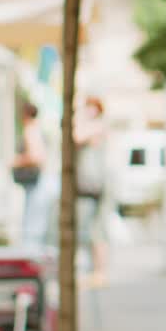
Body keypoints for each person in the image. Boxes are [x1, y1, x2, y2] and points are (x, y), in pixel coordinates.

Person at [74, 96, 109, 287]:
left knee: (96, 230)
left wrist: (80, 119)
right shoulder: (93, 126)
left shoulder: (97, 126)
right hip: (87, 184)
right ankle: (94, 270)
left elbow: (77, 136)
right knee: (89, 230)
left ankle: (99, 271)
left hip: (95, 184)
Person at [12, 101, 49, 247]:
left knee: (32, 221)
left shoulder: (30, 130)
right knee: (34, 219)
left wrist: (17, 161)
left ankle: (31, 252)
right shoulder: (36, 129)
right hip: (35, 180)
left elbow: (36, 156)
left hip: (34, 180)